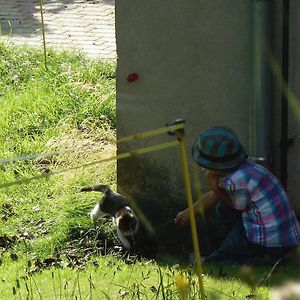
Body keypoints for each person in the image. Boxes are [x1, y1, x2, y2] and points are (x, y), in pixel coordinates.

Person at [175, 126, 300, 265]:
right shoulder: (245, 168)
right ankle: (238, 246)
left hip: (269, 241)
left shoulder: (237, 180)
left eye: (206, 165)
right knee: (222, 207)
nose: (203, 169)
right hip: (283, 235)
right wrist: (188, 213)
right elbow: (213, 197)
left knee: (216, 262)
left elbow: (237, 206)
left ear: (217, 167)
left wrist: (215, 188)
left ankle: (265, 259)